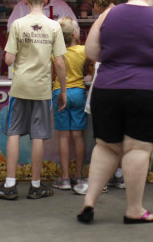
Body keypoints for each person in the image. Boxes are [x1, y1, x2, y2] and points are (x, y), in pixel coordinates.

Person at [76, 0, 153, 224]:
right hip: (148, 91)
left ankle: (89, 202)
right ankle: (134, 209)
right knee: (137, 148)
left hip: (107, 89)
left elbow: (92, 51)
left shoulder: (108, 14)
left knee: (106, 146)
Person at [0, 0, 67, 201]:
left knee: (14, 133)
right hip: (42, 88)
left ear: (23, 0)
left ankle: (10, 184)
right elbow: (60, 63)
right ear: (46, 0)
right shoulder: (54, 27)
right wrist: (62, 90)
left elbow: (8, 59)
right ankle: (35, 185)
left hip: (20, 86)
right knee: (38, 136)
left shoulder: (17, 25)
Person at [82, 0, 125, 191]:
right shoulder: (125, 15)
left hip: (106, 81)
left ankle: (101, 179)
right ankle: (119, 173)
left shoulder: (103, 19)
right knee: (120, 132)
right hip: (123, 82)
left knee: (102, 136)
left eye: (92, 2)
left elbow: (91, 52)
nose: (91, 7)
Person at [52, 16, 91, 195]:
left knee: (63, 137)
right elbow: (86, 71)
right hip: (79, 93)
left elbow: (52, 74)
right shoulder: (84, 51)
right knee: (78, 136)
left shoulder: (55, 53)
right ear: (75, 34)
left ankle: (65, 177)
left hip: (60, 93)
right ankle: (79, 175)